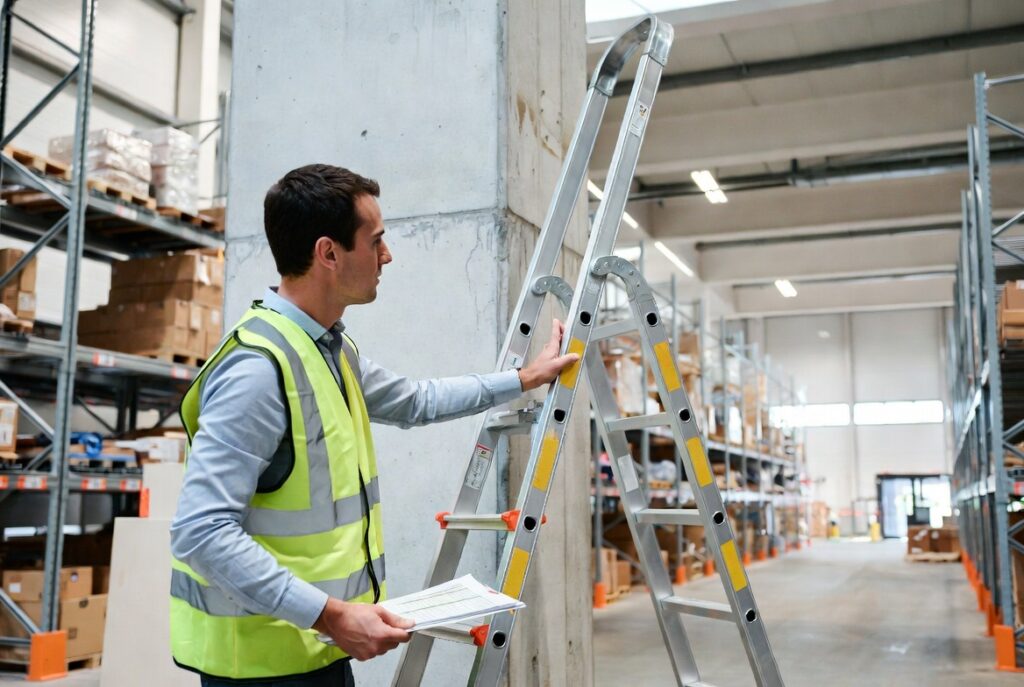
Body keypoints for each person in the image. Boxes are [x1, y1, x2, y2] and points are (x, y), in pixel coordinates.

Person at [169, 163, 579, 686]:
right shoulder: (257, 369)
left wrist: (522, 378)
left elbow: (414, 400)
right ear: (329, 253)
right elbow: (200, 532)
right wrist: (330, 614)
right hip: (262, 666)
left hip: (319, 649)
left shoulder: (329, 350)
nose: (387, 255)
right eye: (376, 240)